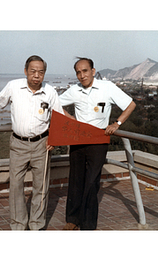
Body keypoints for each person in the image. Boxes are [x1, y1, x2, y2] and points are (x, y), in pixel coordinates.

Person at [0, 55, 64, 230]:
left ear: (44, 74)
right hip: (18, 145)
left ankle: (37, 225)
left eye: (41, 72)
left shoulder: (50, 92)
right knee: (15, 187)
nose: (37, 75)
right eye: (33, 71)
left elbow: (58, 117)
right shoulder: (13, 86)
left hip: (42, 145)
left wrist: (54, 138)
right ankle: (18, 226)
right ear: (25, 72)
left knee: (41, 187)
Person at [59, 57, 136, 230]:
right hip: (78, 140)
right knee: (76, 180)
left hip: (99, 140)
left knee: (92, 182)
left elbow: (131, 105)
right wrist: (70, 119)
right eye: (78, 72)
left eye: (85, 71)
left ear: (93, 71)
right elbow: (54, 103)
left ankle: (88, 224)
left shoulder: (107, 87)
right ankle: (72, 219)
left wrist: (117, 124)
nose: (82, 75)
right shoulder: (74, 90)